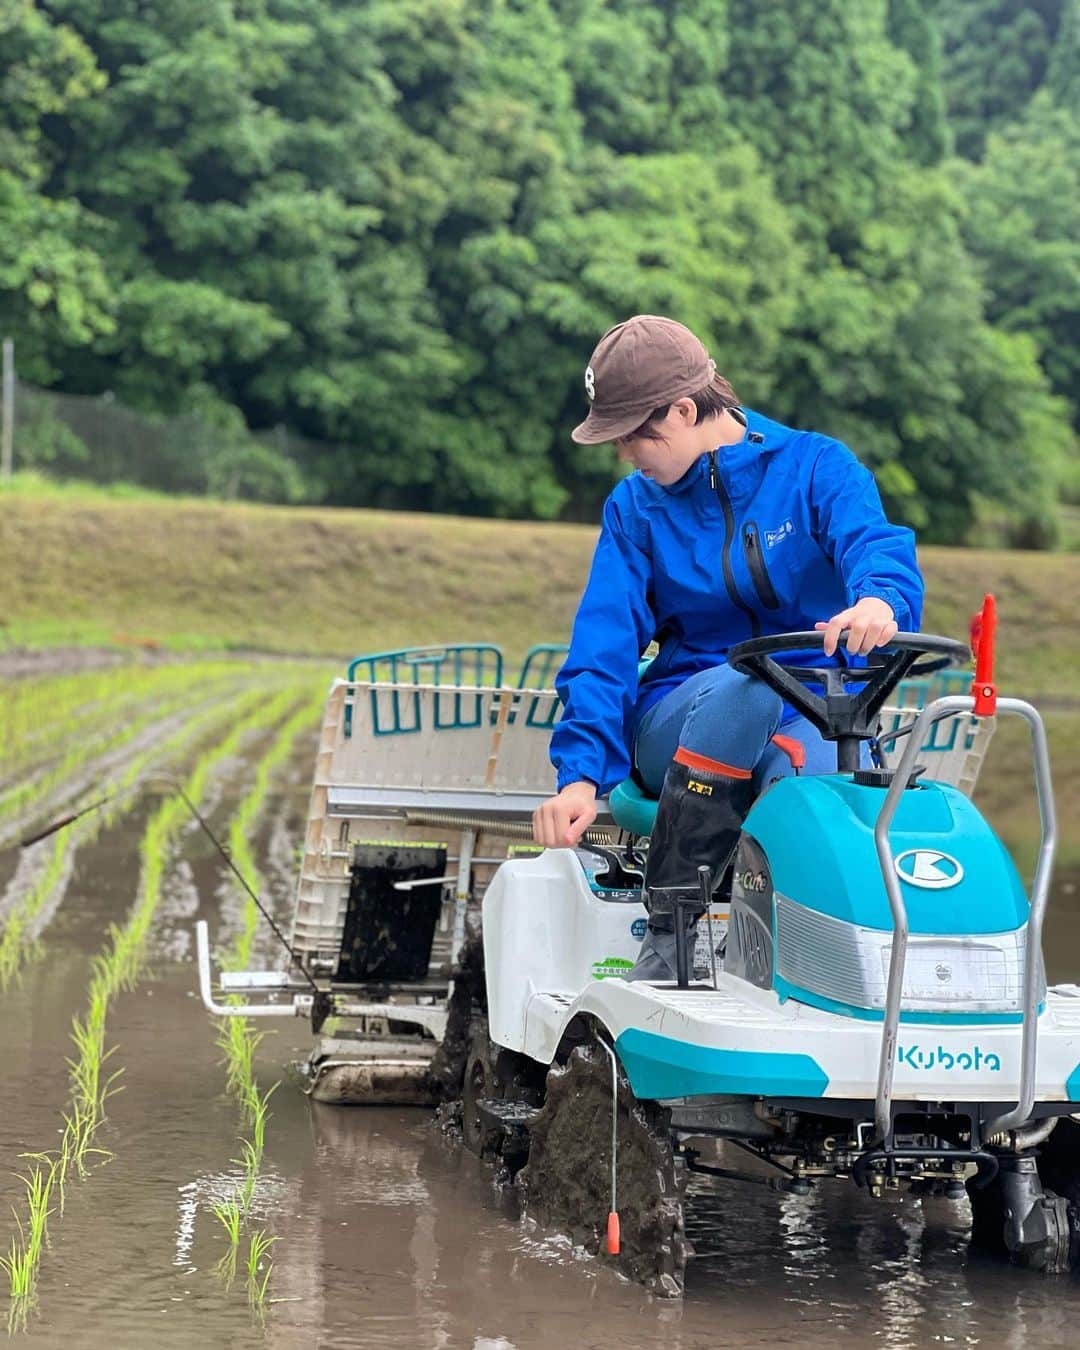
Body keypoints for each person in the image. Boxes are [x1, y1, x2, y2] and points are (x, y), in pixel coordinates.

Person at [531, 315, 923, 981]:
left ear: (684, 410)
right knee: (746, 685)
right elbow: (603, 647)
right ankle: (670, 937)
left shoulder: (817, 468)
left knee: (818, 796)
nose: (625, 452)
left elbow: (876, 547)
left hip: (805, 709)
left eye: (633, 433)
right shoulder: (634, 509)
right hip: (678, 717)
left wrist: (878, 601)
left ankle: (812, 979)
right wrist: (578, 777)